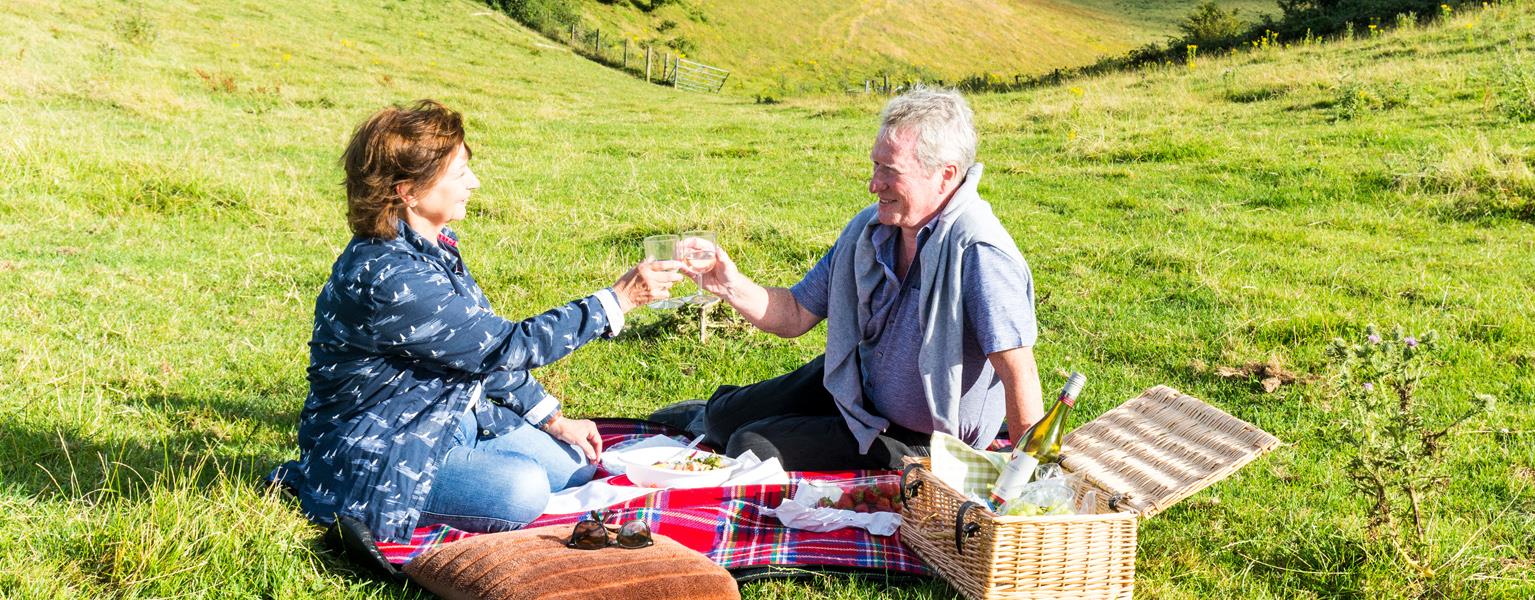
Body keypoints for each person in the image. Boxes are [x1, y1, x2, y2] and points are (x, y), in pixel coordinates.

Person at [273, 100, 682, 544]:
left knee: (575, 467)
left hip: (449, 413)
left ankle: (476, 462)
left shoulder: (431, 247)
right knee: (522, 490)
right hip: (385, 446)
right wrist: (616, 302)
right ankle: (340, 490)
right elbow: (505, 346)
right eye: (459, 173)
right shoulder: (391, 277)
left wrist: (552, 419)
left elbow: (477, 354)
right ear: (408, 191)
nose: (474, 183)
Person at [681, 87, 1043, 471]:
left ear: (946, 175)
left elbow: (1019, 371)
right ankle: (713, 415)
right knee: (720, 417)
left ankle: (893, 454)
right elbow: (796, 313)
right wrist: (728, 284)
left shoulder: (980, 253)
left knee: (750, 444)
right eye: (875, 166)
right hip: (855, 386)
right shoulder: (869, 232)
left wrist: (1025, 479)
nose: (874, 184)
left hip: (923, 437)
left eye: (890, 172)